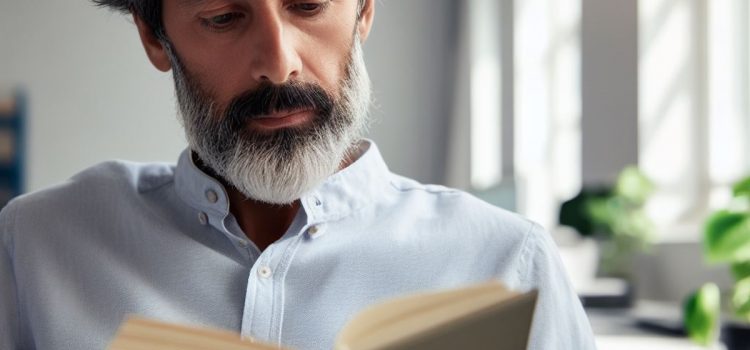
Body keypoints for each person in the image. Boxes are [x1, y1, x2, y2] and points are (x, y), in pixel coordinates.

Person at [0, 1, 596, 349]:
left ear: (363, 8)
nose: (278, 63)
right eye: (224, 16)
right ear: (156, 39)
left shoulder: (509, 264)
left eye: (308, 4)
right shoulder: (36, 246)